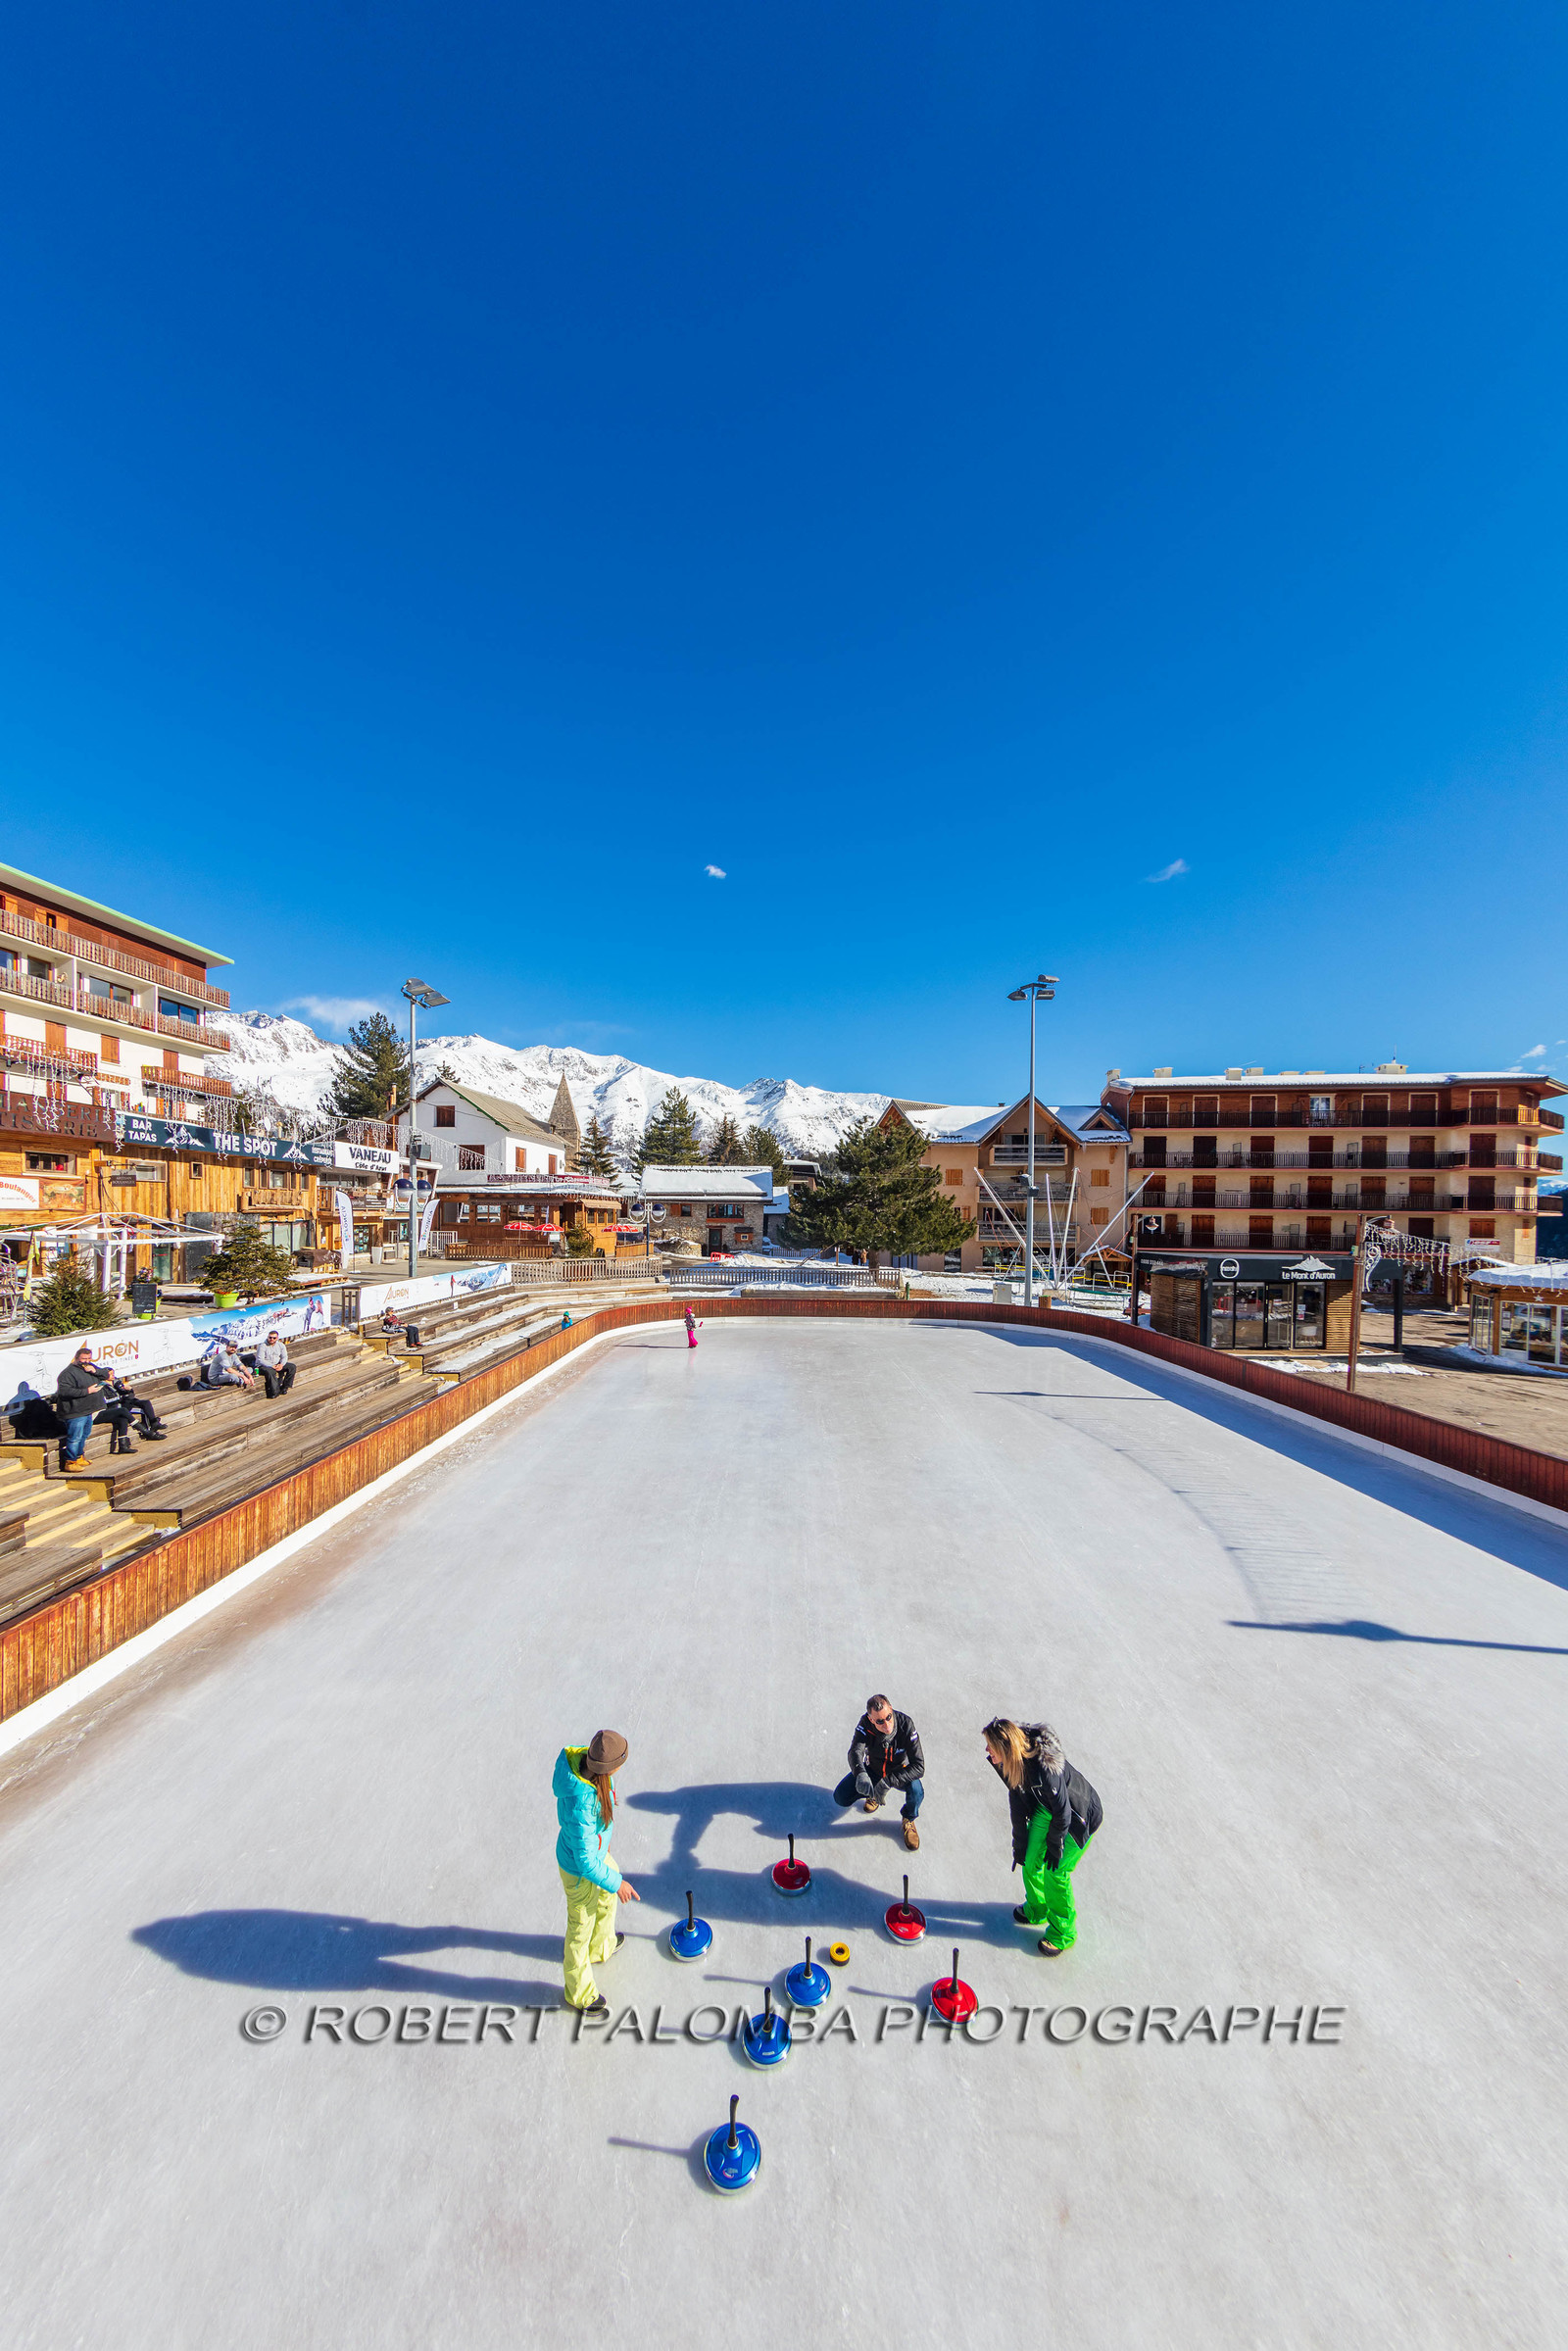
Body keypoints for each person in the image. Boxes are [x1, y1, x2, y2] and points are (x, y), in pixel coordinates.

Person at [983, 1716, 1102, 1957]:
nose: (987, 1751)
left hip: (1079, 1817)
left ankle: (1063, 1933)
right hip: (1046, 1808)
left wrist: (1055, 1845)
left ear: (1006, 1749)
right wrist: (1020, 1845)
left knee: (1055, 1872)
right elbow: (1017, 1805)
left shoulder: (1046, 1768)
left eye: (991, 1747)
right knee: (1029, 1858)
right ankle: (1037, 1908)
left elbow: (1063, 1812)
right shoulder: (1010, 1763)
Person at [553, 1728, 639, 2017]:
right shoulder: (582, 1805)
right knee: (579, 1929)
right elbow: (586, 1862)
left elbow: (595, 1838)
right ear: (608, 1767)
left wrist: (606, 1846)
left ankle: (601, 1946)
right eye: (618, 1764)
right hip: (579, 1872)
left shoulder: (595, 1775)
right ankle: (578, 1992)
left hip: (596, 1855)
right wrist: (618, 1883)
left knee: (606, 1899)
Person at [834, 1693, 925, 1851]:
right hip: (874, 1770)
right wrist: (861, 1773)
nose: (887, 1725)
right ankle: (872, 1794)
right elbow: (855, 1751)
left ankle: (908, 1819)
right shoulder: (865, 1724)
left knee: (917, 1792)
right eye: (880, 1721)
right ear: (871, 1720)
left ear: (891, 1709)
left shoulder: (906, 1724)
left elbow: (919, 1766)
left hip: (900, 1772)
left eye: (889, 1717)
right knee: (841, 1797)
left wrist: (888, 1782)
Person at [54, 1345, 117, 1468]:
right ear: (76, 1358)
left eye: (89, 1358)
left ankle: (79, 1456)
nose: (86, 1361)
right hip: (75, 1411)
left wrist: (95, 1371)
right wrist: (87, 1391)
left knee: (84, 1435)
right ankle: (70, 1462)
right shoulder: (68, 1373)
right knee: (75, 1437)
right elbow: (64, 1392)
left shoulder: (90, 1367)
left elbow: (106, 1374)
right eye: (83, 1359)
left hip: (88, 1409)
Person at [254, 1330, 297, 1399]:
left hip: (277, 1364)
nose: (272, 1339)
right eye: (270, 1337)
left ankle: (285, 1387)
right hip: (263, 1366)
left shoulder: (281, 1345)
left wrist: (281, 1365)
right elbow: (260, 1360)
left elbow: (284, 1357)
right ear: (268, 1337)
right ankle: (274, 1392)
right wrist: (271, 1366)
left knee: (292, 1367)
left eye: (274, 1338)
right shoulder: (262, 1346)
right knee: (271, 1372)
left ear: (277, 1338)